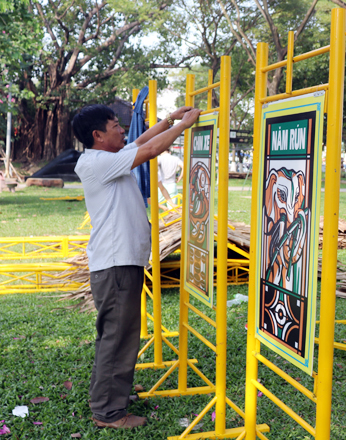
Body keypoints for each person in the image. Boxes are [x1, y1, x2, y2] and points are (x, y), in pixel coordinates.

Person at [72, 103, 201, 429]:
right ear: (98, 135)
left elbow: (142, 140)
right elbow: (153, 148)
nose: (121, 130)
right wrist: (184, 125)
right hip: (116, 263)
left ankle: (111, 393)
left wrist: (169, 120)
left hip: (119, 261)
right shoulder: (98, 163)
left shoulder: (105, 157)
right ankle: (108, 413)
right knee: (118, 336)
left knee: (115, 334)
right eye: (115, 125)